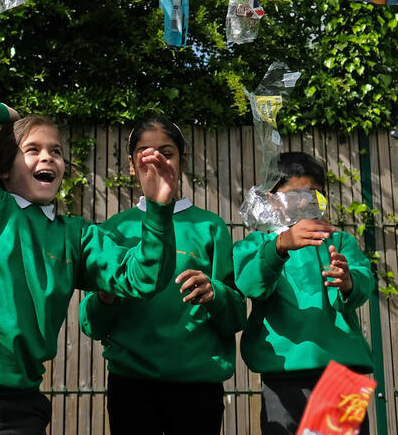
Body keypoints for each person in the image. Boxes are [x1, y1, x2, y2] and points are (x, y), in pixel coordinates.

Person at [0, 97, 179, 435]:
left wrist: (159, 206)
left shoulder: (76, 236)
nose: (47, 156)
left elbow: (145, 276)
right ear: (3, 167)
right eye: (31, 149)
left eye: (56, 151)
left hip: (22, 406)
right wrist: (7, 112)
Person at [78, 115, 246, 435]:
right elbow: (92, 325)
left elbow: (236, 317)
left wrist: (216, 294)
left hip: (198, 386)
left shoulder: (210, 227)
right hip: (131, 386)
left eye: (166, 153)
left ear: (181, 162)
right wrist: (105, 297)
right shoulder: (114, 230)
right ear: (131, 164)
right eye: (145, 153)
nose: (155, 160)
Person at [232, 152, 376, 435]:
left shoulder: (339, 241)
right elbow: (251, 286)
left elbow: (362, 285)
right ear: (270, 198)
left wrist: (347, 282)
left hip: (341, 371)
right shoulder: (257, 244)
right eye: (295, 194)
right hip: (282, 372)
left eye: (314, 195)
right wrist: (279, 247)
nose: (305, 202)